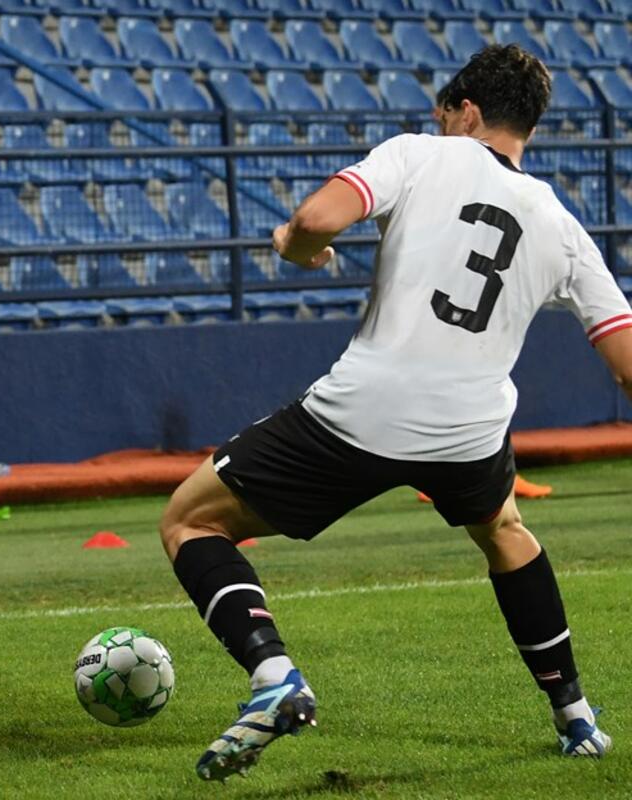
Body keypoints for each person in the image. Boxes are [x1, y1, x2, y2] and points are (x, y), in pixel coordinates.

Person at [160, 44, 627, 781]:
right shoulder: (562, 224)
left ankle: (274, 675)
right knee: (505, 532)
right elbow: (625, 358)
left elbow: (316, 217)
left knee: (191, 520)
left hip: (367, 408)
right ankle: (575, 717)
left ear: (466, 111)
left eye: (444, 114)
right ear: (529, 127)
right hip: (470, 430)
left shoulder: (417, 154)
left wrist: (296, 246)